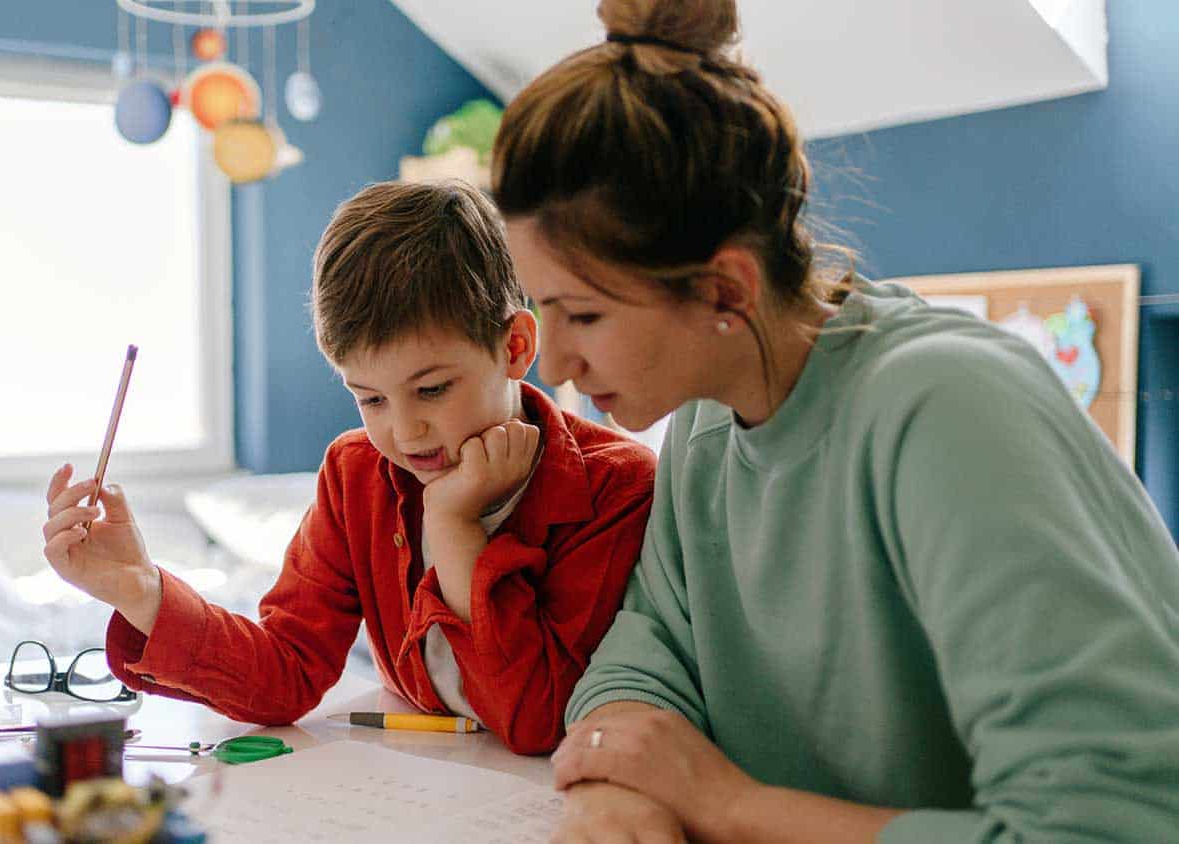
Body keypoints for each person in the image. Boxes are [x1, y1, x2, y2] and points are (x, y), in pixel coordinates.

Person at [491, 0, 1179, 839]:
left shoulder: (947, 413)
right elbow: (646, 651)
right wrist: (615, 786)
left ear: (725, 290)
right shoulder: (707, 426)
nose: (552, 362)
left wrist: (724, 805)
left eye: (583, 315)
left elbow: (1112, 825)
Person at [40, 180, 656, 755]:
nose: (406, 432)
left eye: (434, 389)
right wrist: (140, 591)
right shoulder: (356, 472)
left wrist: (455, 528)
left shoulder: (617, 486)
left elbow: (537, 721)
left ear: (515, 346)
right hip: (416, 783)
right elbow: (287, 673)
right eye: (370, 399)